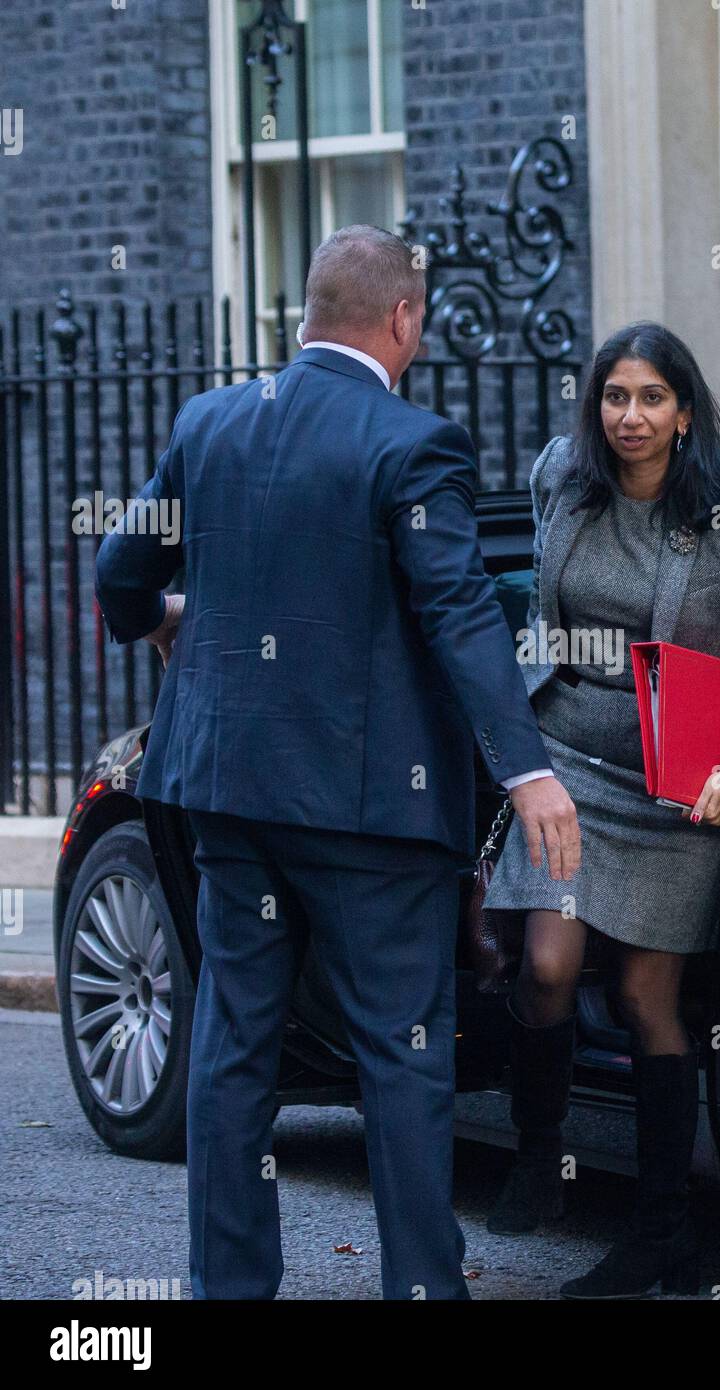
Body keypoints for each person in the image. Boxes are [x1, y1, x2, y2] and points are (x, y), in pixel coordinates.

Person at [94, 225, 580, 1301]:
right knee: (401, 1058)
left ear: (306, 311)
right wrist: (524, 767)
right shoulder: (412, 443)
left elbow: (118, 571)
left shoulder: (210, 422)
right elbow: (458, 610)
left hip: (229, 797)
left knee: (232, 1047)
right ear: (403, 319)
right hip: (371, 813)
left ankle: (229, 1288)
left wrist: (166, 610)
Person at [482, 321, 720, 1298]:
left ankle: (662, 1233)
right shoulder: (562, 477)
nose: (629, 416)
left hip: (675, 789)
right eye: (614, 396)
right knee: (545, 968)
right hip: (564, 764)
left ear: (683, 411)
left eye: (650, 398)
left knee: (644, 999)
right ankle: (538, 1149)